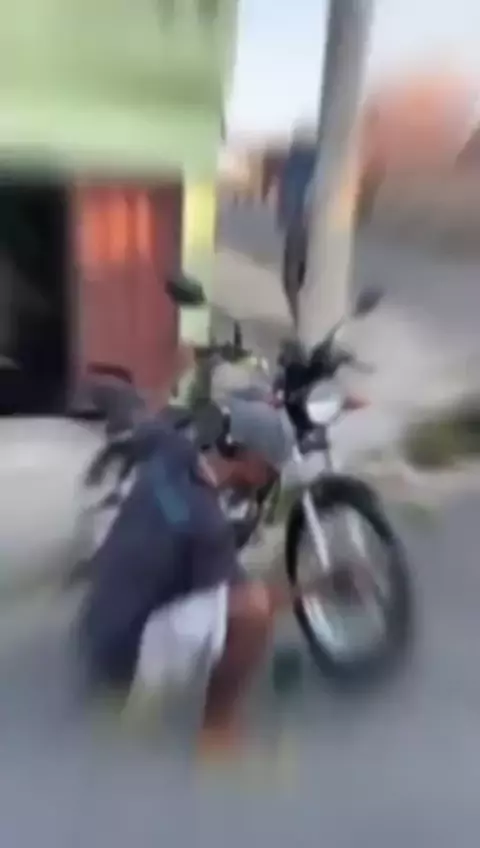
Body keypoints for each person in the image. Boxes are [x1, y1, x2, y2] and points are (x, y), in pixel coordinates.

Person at [77, 395, 308, 755]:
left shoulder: (172, 448)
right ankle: (216, 733)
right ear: (251, 463)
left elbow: (143, 425)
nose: (269, 481)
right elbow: (245, 598)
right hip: (121, 658)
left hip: (96, 623)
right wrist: (320, 589)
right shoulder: (208, 525)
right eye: (270, 471)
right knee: (254, 611)